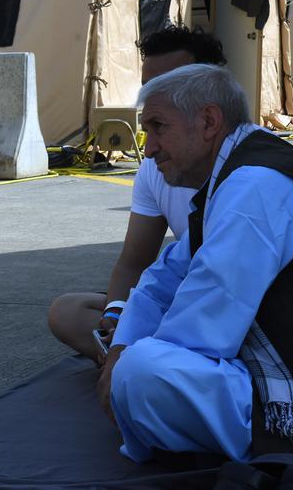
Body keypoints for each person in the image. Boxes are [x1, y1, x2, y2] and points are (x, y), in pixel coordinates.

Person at [96, 64, 293, 484]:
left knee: (142, 375)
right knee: (125, 355)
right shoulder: (236, 174)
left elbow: (201, 331)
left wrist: (121, 367)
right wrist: (121, 342)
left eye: (158, 127)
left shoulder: (253, 186)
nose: (149, 147)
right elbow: (164, 276)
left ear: (210, 122)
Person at [48, 26, 226, 362]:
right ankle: (144, 360)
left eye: (169, 88)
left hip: (229, 307)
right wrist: (116, 319)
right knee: (68, 312)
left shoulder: (246, 168)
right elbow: (133, 262)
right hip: (180, 300)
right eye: (149, 90)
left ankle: (147, 362)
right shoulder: (155, 164)